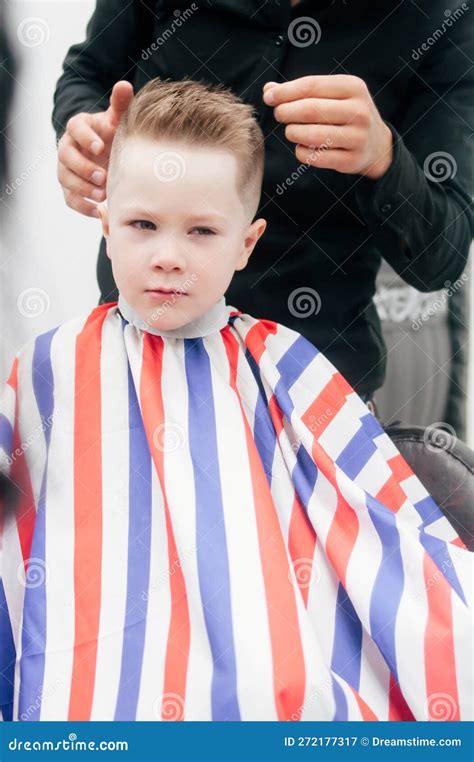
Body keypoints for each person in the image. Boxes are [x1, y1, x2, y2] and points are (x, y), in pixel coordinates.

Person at [1, 79, 471, 722]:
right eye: (143, 224)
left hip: (264, 680)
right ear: (105, 221)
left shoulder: (287, 366)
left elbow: (379, 527)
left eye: (201, 231)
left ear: (245, 244)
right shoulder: (48, 369)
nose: (168, 256)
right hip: (84, 690)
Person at [51, 0, 474, 413]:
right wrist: (89, 140)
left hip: (313, 398)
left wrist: (384, 159)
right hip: (136, 365)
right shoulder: (52, 369)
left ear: (248, 241)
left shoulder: (441, 15)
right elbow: (88, 76)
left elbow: (443, 256)